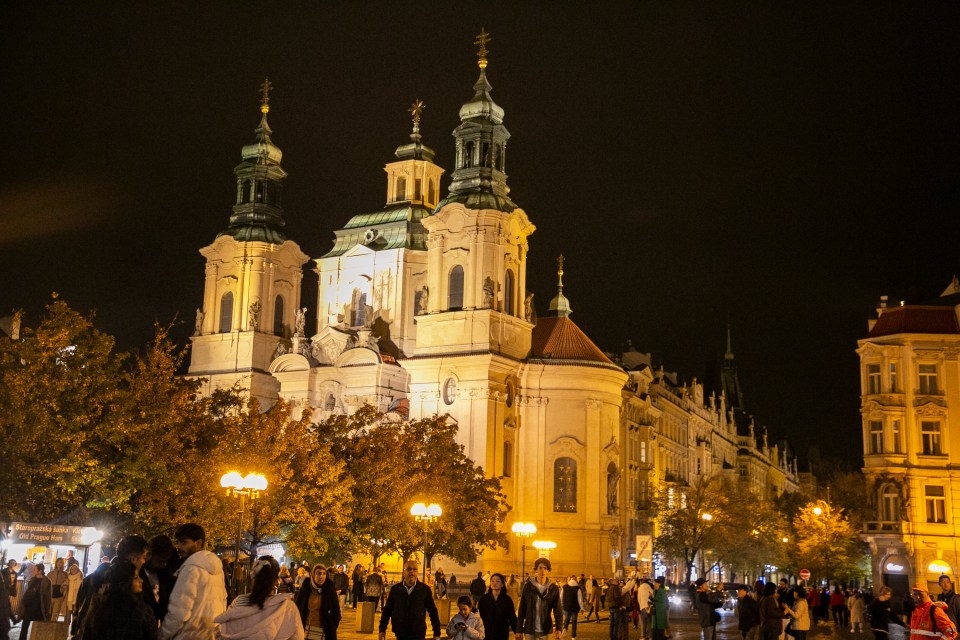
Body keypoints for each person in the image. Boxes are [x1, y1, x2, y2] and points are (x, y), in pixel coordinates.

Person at [74, 535, 150, 639]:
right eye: (143, 557)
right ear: (134, 558)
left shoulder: (91, 578)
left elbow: (79, 612)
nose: (144, 561)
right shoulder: (133, 584)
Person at [159, 523, 227, 640]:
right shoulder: (217, 569)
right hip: (210, 633)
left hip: (189, 634)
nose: (179, 547)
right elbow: (223, 600)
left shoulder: (191, 568)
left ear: (199, 543)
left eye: (184, 542)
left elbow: (179, 611)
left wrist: (162, 634)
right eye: (178, 542)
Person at [215, 555, 304, 640]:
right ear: (277, 581)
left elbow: (224, 632)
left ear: (253, 577)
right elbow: (297, 636)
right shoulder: (287, 607)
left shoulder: (238, 601)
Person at [81, 560, 158, 640]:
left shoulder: (100, 608)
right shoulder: (142, 611)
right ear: (124, 582)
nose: (141, 580)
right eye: (135, 577)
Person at [379, 560, 441, 640]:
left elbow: (433, 612)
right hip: (400, 633)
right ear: (403, 573)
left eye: (414, 569)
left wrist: (437, 633)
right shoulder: (396, 589)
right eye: (408, 569)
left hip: (418, 633)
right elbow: (387, 610)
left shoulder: (424, 590)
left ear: (417, 573)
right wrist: (382, 630)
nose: (412, 572)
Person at [516, 558, 562, 640]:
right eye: (540, 568)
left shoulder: (553, 588)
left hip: (545, 629)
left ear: (548, 570)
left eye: (545, 568)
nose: (543, 571)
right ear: (536, 569)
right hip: (530, 629)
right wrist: (519, 629)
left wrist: (559, 629)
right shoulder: (528, 587)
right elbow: (522, 609)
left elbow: (558, 610)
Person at [294, 563, 342, 640]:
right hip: (305, 630)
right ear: (313, 575)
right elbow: (298, 607)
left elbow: (336, 611)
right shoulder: (306, 588)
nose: (321, 576)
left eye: (324, 574)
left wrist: (332, 628)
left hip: (324, 631)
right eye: (318, 573)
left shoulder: (329, 589)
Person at [478, 573, 517, 640]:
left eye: (497, 581)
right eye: (492, 581)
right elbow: (479, 617)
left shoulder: (507, 600)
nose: (494, 583)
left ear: (502, 584)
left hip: (502, 633)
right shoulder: (484, 599)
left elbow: (512, 617)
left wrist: (518, 631)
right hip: (487, 633)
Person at [19, 562, 52, 640]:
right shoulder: (32, 579)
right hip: (29, 606)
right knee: (24, 626)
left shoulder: (46, 581)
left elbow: (48, 597)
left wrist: (48, 610)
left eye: (34, 569)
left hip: (39, 607)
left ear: (40, 571)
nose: (33, 571)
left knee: (39, 627)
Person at [561, 575, 584, 640]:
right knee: (574, 621)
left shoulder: (564, 587)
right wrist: (582, 608)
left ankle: (565, 628)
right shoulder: (577, 588)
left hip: (566, 606)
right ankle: (573, 636)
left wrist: (561, 605)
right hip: (575, 607)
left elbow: (561, 596)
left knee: (566, 619)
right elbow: (580, 599)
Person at [64, 559, 83, 628]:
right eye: (72, 569)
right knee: (67, 619)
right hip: (68, 601)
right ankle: (64, 635)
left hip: (76, 601)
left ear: (78, 570)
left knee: (75, 619)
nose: (73, 570)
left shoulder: (81, 578)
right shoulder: (68, 579)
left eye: (75, 569)